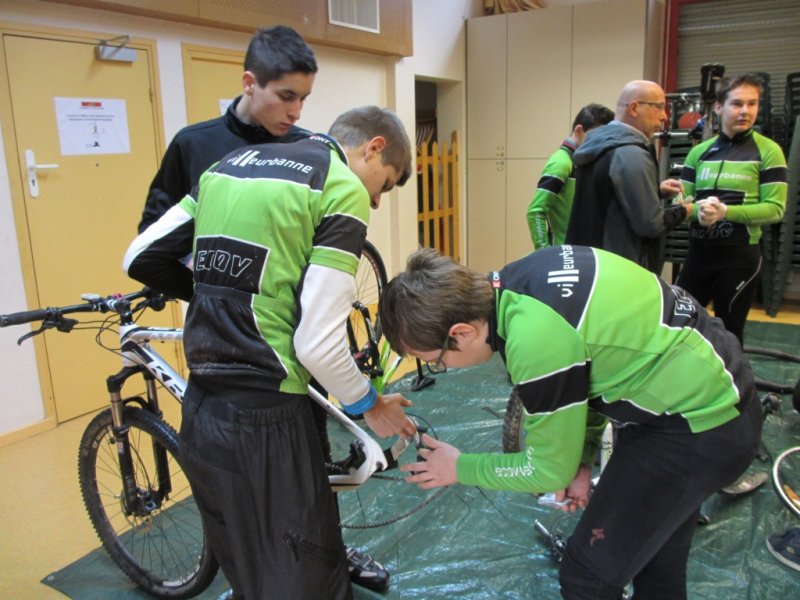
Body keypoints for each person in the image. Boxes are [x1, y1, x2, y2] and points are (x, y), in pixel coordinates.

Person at [124, 106, 417, 599]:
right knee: (306, 576)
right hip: (267, 416)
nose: (377, 200)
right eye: (384, 185)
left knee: (247, 565)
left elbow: (140, 257)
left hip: (202, 409)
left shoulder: (227, 167)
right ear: (373, 148)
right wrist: (370, 404)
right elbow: (318, 344)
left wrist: (214, 295)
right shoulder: (338, 187)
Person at [378, 246, 762, 599]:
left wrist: (459, 467)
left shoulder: (534, 340)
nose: (438, 368)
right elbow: (594, 371)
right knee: (655, 561)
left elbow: (545, 471)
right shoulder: (520, 277)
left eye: (435, 360)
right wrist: (581, 457)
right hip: (708, 392)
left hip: (699, 426)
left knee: (587, 576)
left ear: (459, 333)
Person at [137, 25, 317, 233]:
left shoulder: (307, 148)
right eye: (286, 97)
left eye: (303, 99)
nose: (296, 112)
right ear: (249, 83)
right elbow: (152, 236)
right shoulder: (191, 144)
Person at [676, 73, 788, 347]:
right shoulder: (698, 153)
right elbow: (680, 206)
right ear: (719, 107)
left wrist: (726, 212)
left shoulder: (768, 151)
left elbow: (775, 209)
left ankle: (732, 387)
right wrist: (693, 210)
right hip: (698, 257)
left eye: (753, 104)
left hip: (738, 261)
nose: (745, 111)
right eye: (737, 103)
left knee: (728, 335)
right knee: (679, 329)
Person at [565, 80, 690, 274]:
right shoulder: (631, 154)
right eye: (659, 107)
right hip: (620, 270)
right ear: (634, 108)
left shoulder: (599, 145)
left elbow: (609, 199)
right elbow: (650, 224)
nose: (665, 116)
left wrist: (655, 191)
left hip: (590, 264)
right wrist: (685, 211)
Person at [527, 103, 613, 249]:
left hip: (581, 251)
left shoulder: (582, 162)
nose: (600, 143)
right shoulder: (561, 162)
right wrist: (544, 252)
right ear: (579, 130)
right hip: (564, 254)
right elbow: (535, 211)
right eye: (595, 137)